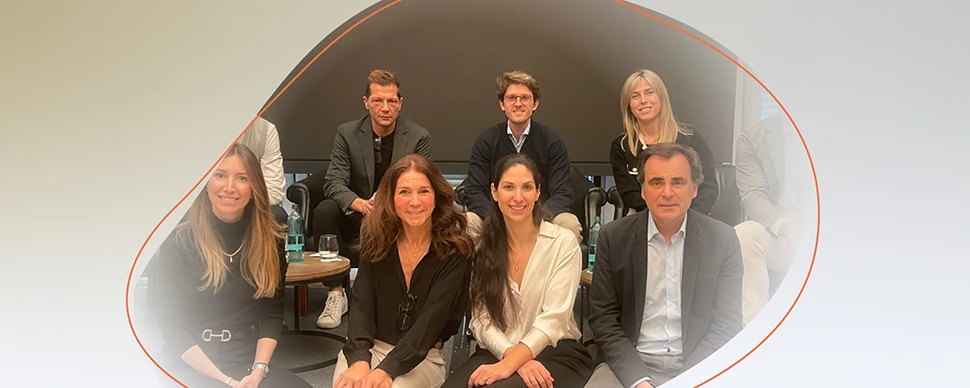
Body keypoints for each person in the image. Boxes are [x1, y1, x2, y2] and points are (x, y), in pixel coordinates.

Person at [152, 143, 311, 388]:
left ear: (254, 187)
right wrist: (225, 381)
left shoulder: (271, 239)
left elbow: (272, 312)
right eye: (220, 175)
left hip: (245, 360)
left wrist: (258, 371)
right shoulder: (179, 239)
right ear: (206, 183)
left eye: (242, 178)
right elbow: (170, 323)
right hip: (187, 362)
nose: (229, 187)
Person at [587, 143, 743, 387]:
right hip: (628, 365)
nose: (667, 192)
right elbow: (603, 319)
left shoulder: (723, 240)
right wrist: (638, 381)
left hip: (699, 363)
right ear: (643, 190)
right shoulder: (613, 237)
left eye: (678, 182)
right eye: (656, 182)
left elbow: (726, 324)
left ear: (694, 189)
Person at [443, 153, 594, 388]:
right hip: (497, 351)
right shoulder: (483, 246)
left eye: (527, 187)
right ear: (494, 192)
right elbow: (481, 320)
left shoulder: (562, 242)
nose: (518, 197)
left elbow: (554, 319)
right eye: (508, 187)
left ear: (538, 192)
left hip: (555, 350)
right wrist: (512, 358)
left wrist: (509, 364)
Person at [333, 154, 472, 388]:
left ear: (436, 196)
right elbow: (361, 306)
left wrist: (387, 370)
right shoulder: (376, 240)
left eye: (424, 191)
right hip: (370, 347)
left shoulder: (456, 249)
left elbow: (431, 321)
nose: (414, 202)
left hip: (422, 357)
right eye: (404, 192)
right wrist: (359, 359)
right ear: (391, 198)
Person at [315, 69, 432, 329]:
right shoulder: (347, 133)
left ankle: (399, 297)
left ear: (400, 103)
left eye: (391, 101)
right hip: (357, 212)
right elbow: (333, 182)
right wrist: (362, 204)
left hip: (397, 214)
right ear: (366, 102)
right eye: (378, 100)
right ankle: (336, 293)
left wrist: (390, 203)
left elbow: (422, 183)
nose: (385, 108)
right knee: (325, 210)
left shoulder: (418, 136)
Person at [463, 70, 581, 243]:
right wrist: (499, 217)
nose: (518, 104)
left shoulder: (552, 141)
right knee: (468, 222)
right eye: (511, 98)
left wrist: (535, 219)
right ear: (502, 104)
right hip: (495, 218)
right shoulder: (486, 141)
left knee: (569, 223)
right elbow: (474, 190)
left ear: (535, 104)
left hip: (541, 217)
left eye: (525, 98)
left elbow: (562, 192)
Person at [608, 69, 718, 217]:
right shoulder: (621, 147)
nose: (643, 100)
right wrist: (661, 217)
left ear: (661, 97)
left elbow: (708, 186)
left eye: (649, 93)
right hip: (644, 218)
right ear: (628, 105)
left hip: (692, 216)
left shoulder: (690, 138)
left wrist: (688, 218)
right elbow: (630, 195)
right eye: (635, 96)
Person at [734, 113, 807, 325]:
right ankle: (755, 328)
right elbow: (753, 195)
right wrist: (786, 228)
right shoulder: (752, 137)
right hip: (778, 231)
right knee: (746, 234)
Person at [239, 116, 288, 225]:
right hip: (209, 203)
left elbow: (274, 192)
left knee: (277, 215)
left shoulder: (266, 130)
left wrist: (239, 201)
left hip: (250, 203)